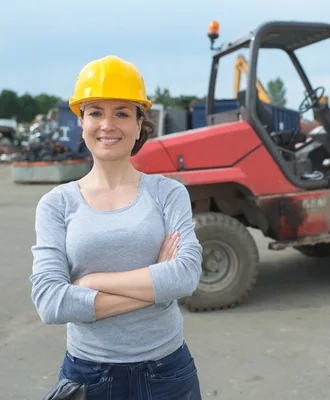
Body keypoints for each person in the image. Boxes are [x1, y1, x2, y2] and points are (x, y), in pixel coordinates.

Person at [29, 55, 204, 399]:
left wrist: (91, 284)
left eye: (122, 113)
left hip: (168, 372)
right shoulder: (57, 204)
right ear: (82, 122)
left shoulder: (168, 193)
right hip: (89, 374)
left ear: (140, 124)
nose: (108, 124)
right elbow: (51, 303)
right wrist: (157, 279)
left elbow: (185, 276)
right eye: (95, 112)